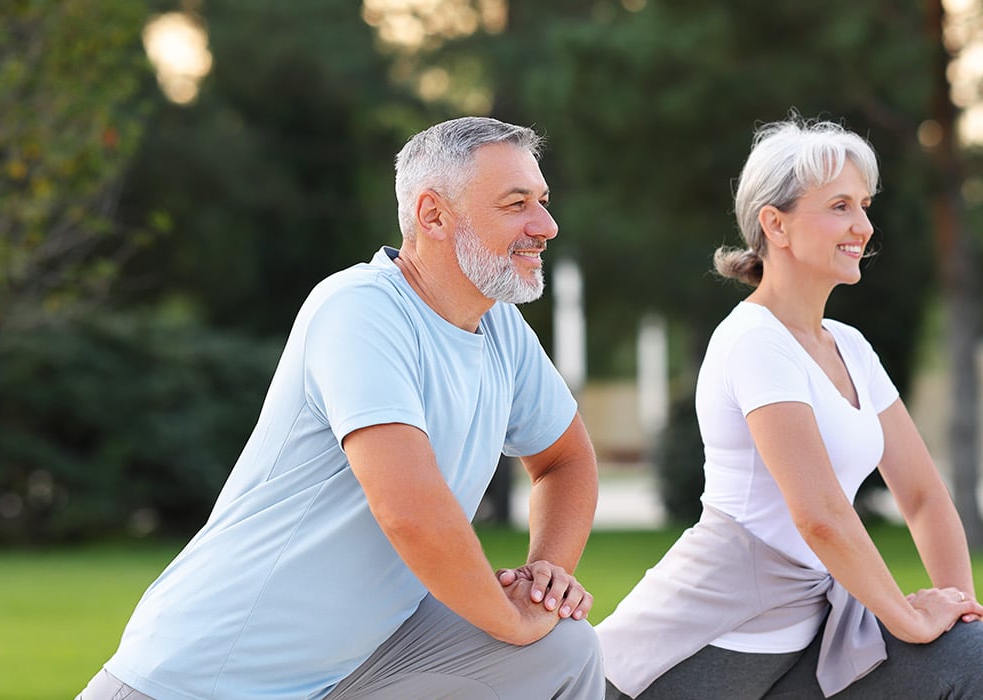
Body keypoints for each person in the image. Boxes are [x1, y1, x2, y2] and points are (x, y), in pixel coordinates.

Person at [74, 116, 605, 700]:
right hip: (203, 676)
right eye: (516, 204)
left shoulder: (502, 327)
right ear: (433, 215)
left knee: (562, 648)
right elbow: (412, 514)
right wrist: (511, 620)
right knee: (534, 638)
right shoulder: (359, 309)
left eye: (543, 201)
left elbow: (565, 459)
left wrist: (545, 579)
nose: (546, 225)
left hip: (358, 667)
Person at [596, 116, 983, 699]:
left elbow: (925, 496)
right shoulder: (754, 339)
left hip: (806, 642)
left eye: (864, 205)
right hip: (706, 641)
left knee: (972, 658)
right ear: (775, 224)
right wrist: (910, 619)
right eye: (840, 207)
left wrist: (959, 612)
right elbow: (819, 514)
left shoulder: (848, 346)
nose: (863, 225)